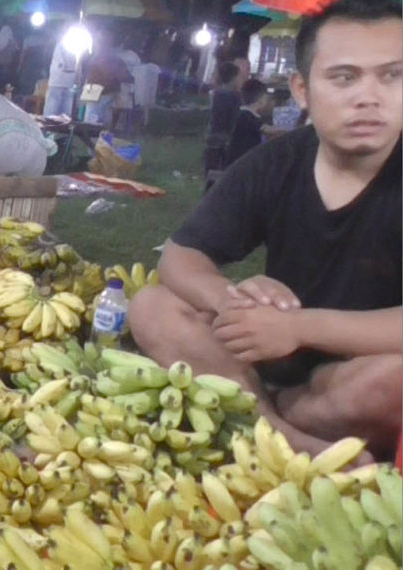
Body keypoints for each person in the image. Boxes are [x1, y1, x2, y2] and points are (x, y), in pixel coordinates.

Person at [128, 0, 402, 461]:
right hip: (263, 357)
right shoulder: (275, 163)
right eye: (344, 77)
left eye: (392, 75)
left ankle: (265, 419)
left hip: (358, 375)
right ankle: (283, 436)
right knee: (151, 305)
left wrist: (298, 326)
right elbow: (179, 256)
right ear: (302, 90)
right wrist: (230, 299)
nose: (369, 97)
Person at [225, 78, 281, 166]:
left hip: (242, 159)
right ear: (260, 100)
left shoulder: (246, 114)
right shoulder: (247, 116)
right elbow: (268, 130)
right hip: (239, 161)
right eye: (266, 97)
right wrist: (291, 130)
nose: (268, 101)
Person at [82, 32, 133, 126]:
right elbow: (124, 76)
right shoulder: (113, 58)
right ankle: (99, 139)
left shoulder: (99, 57)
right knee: (100, 123)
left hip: (94, 89)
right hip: (103, 91)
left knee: (91, 122)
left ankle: (93, 138)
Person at [204, 59, 245, 175]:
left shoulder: (216, 92)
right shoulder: (233, 96)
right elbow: (234, 118)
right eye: (239, 77)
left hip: (212, 133)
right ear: (233, 78)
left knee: (211, 168)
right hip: (225, 136)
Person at [43, 29, 78, 117]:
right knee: (51, 113)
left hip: (69, 83)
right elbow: (60, 65)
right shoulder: (60, 46)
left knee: (65, 115)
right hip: (57, 82)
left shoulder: (77, 46)